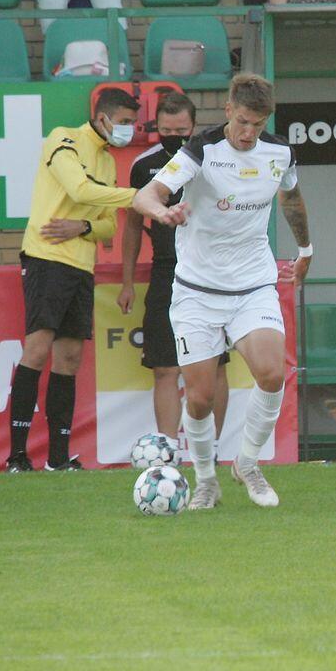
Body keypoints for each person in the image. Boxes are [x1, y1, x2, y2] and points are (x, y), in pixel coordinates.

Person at [132, 74, 313, 509]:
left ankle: (247, 463)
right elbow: (146, 196)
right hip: (197, 291)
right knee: (199, 397)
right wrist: (163, 212)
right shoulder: (201, 150)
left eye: (258, 124)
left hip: (253, 284)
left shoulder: (280, 152)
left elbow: (291, 199)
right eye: (243, 121)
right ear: (229, 110)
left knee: (272, 373)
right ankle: (206, 479)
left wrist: (306, 249)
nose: (249, 132)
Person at [5, 88, 143, 473]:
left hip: (82, 266)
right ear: (102, 118)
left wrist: (82, 226)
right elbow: (78, 188)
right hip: (47, 257)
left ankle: (58, 459)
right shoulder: (63, 138)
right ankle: (17, 456)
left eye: (133, 123)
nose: (129, 130)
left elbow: (107, 227)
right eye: (125, 122)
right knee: (37, 350)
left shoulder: (108, 163)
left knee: (69, 358)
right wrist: (138, 196)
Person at [118, 93, 231, 441]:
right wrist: (127, 282)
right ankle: (166, 449)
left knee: (215, 366)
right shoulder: (144, 165)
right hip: (166, 272)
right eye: (166, 131)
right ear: (157, 127)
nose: (174, 137)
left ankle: (212, 448)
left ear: (193, 126)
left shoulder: (215, 159)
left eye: (181, 131)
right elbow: (132, 226)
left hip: (210, 273)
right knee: (165, 368)